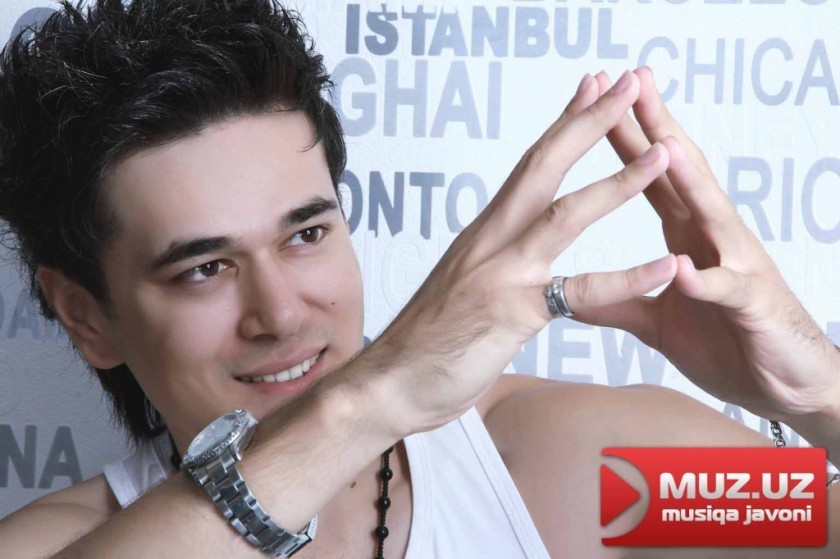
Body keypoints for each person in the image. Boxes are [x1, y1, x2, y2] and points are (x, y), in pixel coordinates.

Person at [0, 1, 837, 558]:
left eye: (307, 234)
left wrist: (820, 395)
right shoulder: (55, 542)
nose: (282, 313)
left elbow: (817, 526)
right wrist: (369, 398)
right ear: (86, 315)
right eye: (205, 268)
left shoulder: (583, 470)